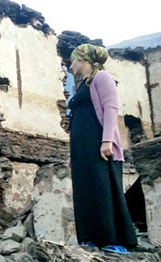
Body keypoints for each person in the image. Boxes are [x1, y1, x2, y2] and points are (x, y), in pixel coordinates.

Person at [66, 44, 138, 254]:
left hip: (99, 146)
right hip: (82, 149)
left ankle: (112, 239)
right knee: (84, 191)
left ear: (84, 60)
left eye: (73, 61)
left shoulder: (102, 78)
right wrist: (72, 153)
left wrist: (107, 141)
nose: (70, 66)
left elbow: (110, 108)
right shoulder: (80, 87)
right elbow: (77, 121)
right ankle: (89, 239)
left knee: (102, 189)